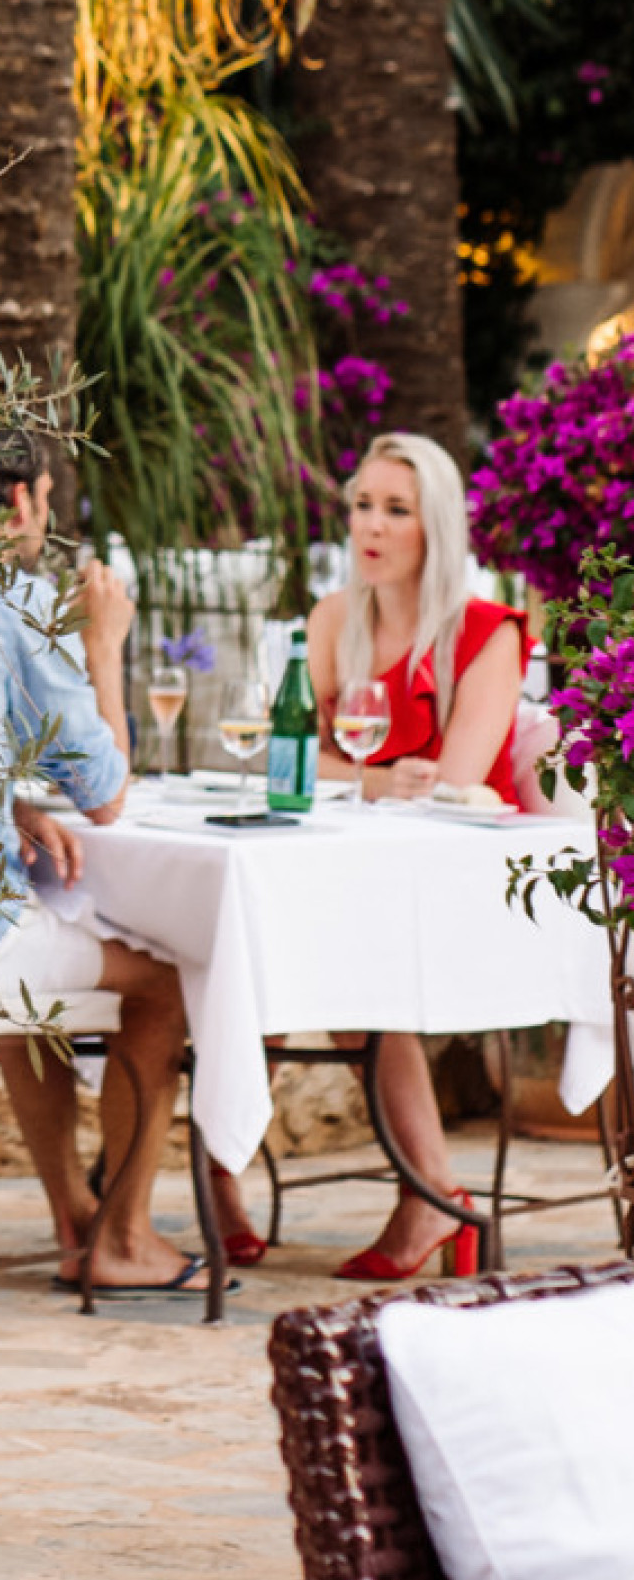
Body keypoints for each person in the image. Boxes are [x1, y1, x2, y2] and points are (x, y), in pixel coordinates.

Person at [0, 425, 208, 1300]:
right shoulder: (4, 600)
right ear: (21, 501)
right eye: (50, 500)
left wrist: (9, 806)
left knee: (39, 939)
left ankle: (73, 1221)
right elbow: (105, 795)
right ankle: (123, 1238)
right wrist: (103, 646)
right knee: (164, 984)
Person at [307, 431, 525, 1283]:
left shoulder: (486, 634)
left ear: (436, 526)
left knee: (347, 963)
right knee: (247, 939)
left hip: (462, 881)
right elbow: (291, 763)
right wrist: (375, 781)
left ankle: (430, 1194)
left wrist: (361, 781)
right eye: (363, 505)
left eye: (396, 510)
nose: (371, 526)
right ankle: (224, 1199)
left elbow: (455, 787)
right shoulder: (334, 620)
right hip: (356, 872)